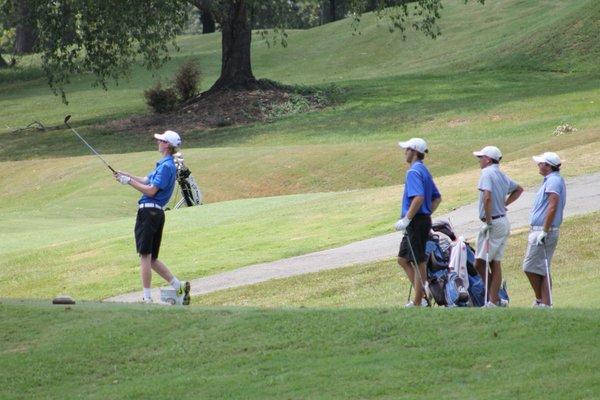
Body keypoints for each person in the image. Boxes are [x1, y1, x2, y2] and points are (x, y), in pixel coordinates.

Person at [114, 130, 190, 305]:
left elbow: (151, 190)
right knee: (152, 258)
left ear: (167, 145)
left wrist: (128, 182)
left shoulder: (166, 167)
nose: (158, 142)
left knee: (145, 256)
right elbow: (145, 180)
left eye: (161, 141)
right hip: (156, 213)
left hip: (149, 213)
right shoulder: (164, 164)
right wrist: (125, 175)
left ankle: (147, 298)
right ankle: (179, 287)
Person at [473, 146, 523, 307]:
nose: (479, 160)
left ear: (488, 159)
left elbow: (487, 197)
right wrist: (504, 204)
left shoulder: (486, 173)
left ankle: (493, 299)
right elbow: (518, 189)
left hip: (493, 223)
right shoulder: (500, 174)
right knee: (495, 262)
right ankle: (495, 299)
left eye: (481, 157)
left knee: (479, 263)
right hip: (502, 221)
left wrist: (488, 221)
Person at [395, 138, 442, 307]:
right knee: (402, 259)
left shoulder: (414, 172)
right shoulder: (423, 170)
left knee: (419, 260)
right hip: (420, 220)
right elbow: (436, 198)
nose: (405, 152)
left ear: (414, 151)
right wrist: (426, 213)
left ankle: (418, 302)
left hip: (415, 222)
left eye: (407, 149)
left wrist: (408, 218)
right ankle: (421, 296)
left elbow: (419, 197)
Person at [523, 152, 566, 308]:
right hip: (540, 229)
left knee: (531, 267)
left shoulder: (553, 181)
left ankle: (543, 301)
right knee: (540, 267)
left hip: (544, 230)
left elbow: (552, 206)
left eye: (541, 163)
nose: (538, 165)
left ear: (548, 166)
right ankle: (543, 302)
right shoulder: (550, 180)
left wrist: (545, 231)